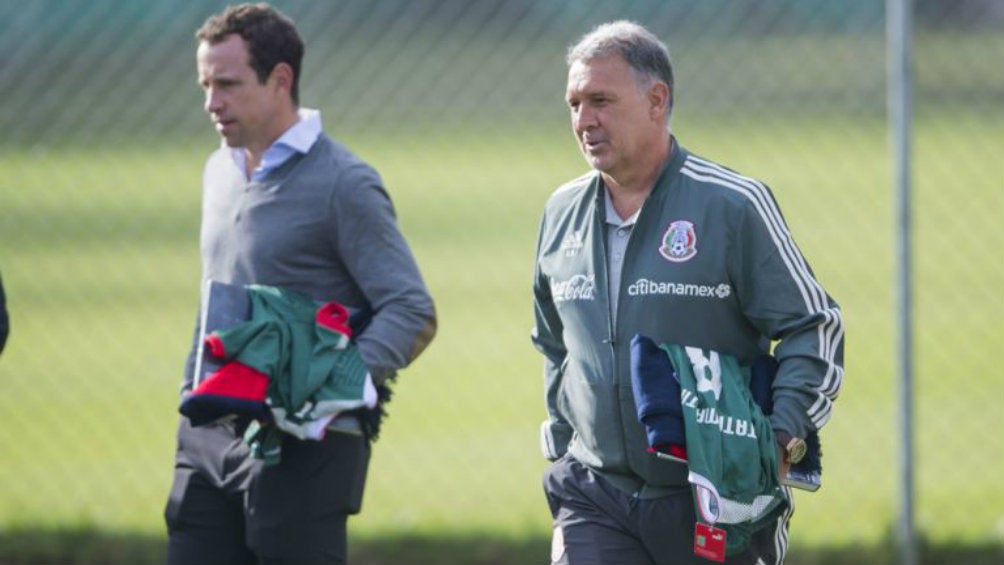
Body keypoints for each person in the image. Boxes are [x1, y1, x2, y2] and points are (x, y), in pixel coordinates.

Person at [531, 21, 844, 565]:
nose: (584, 120)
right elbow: (554, 343)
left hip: (718, 498)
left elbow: (813, 328)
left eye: (600, 100)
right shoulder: (561, 212)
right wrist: (563, 447)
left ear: (657, 100)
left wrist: (780, 436)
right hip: (596, 495)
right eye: (574, 104)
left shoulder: (733, 205)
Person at [164, 4, 437, 564]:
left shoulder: (344, 182)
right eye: (205, 84)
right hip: (208, 432)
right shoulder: (219, 170)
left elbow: (411, 309)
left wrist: (332, 385)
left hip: (305, 446)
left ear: (280, 79)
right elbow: (215, 290)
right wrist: (192, 400)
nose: (211, 102)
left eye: (228, 84)